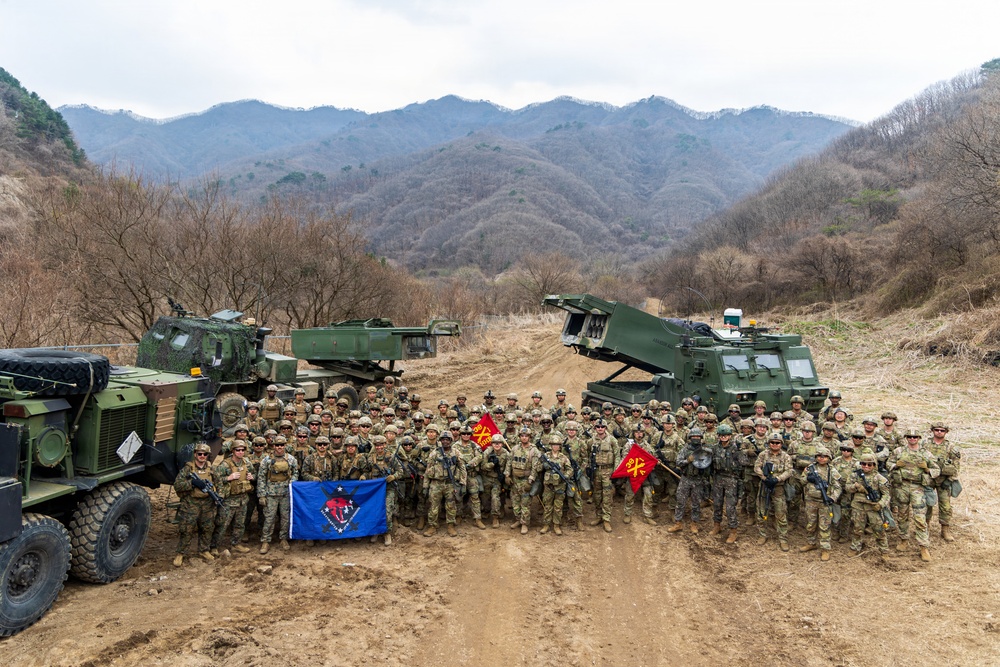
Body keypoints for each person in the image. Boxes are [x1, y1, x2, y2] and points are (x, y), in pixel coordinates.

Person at [886, 428, 939, 562]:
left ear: (919, 439)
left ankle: (923, 546)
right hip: (902, 486)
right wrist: (895, 466)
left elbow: (937, 470)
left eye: (915, 437)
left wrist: (926, 469)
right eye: (909, 437)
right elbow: (888, 464)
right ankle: (903, 539)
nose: (912, 439)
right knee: (902, 515)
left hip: (918, 488)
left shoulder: (925, 454)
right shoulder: (899, 451)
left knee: (920, 517)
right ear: (906, 438)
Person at [173, 442, 219, 566]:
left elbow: (219, 483)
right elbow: (177, 485)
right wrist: (192, 483)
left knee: (207, 528)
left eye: (205, 454)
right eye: (200, 454)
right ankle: (181, 553)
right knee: (186, 529)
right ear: (195, 454)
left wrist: (219, 496)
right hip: (191, 504)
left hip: (207, 504)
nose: (202, 456)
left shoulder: (212, 469)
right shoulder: (188, 469)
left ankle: (204, 550)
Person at [210, 439, 255, 556]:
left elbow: (254, 474)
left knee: (240, 524)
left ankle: (236, 544)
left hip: (242, 499)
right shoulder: (225, 464)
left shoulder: (247, 463)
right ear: (233, 451)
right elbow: (215, 479)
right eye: (238, 450)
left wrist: (251, 476)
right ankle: (214, 546)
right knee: (222, 524)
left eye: (242, 450)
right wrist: (228, 478)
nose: (240, 452)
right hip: (228, 501)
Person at [798, 445, 842, 561]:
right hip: (811, 500)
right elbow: (801, 481)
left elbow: (838, 488)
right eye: (819, 456)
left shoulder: (832, 471)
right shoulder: (809, 468)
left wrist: (832, 498)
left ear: (829, 458)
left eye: (824, 457)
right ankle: (811, 543)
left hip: (824, 502)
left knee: (824, 526)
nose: (822, 459)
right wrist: (808, 478)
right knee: (810, 524)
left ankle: (825, 548)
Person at [257, 437, 299, 554]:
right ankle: (265, 540)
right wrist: (261, 495)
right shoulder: (266, 460)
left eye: (281, 445)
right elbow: (261, 477)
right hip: (270, 493)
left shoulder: (291, 459)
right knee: (269, 518)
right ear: (273, 446)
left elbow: (296, 472)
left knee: (285, 517)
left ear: (285, 446)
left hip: (286, 493)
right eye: (277, 445)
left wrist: (293, 481)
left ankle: (283, 538)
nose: (279, 448)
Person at [754, 434, 795, 551]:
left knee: (781, 514)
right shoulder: (763, 454)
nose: (774, 445)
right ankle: (762, 535)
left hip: (779, 488)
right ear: (769, 443)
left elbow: (789, 470)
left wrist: (778, 479)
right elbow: (756, 467)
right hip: (764, 486)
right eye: (772, 442)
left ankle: (783, 539)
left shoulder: (786, 456)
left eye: (777, 443)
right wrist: (764, 478)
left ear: (781, 444)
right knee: (761, 511)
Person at [422, 430, 467, 537]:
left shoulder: (456, 453)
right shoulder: (434, 453)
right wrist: (425, 486)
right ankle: (432, 526)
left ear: (451, 440)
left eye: (447, 439)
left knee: (451, 506)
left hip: (450, 484)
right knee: (433, 506)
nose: (445, 441)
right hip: (436, 483)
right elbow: (427, 471)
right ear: (440, 440)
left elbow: (462, 468)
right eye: (443, 439)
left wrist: (463, 483)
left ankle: (450, 525)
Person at [922, 422, 961, 543]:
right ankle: (926, 527)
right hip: (929, 478)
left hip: (944, 479)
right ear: (933, 431)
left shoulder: (951, 447)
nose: (939, 432)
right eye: (937, 430)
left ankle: (945, 529)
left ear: (946, 432)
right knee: (928, 504)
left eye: (942, 430)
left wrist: (949, 480)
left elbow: (956, 465)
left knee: (945, 506)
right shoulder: (925, 444)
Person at [846, 453, 891, 557]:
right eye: (863, 464)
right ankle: (855, 547)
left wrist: (880, 504)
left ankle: (884, 551)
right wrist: (856, 486)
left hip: (873, 507)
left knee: (879, 530)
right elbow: (847, 488)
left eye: (869, 464)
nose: (866, 466)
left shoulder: (879, 478)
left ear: (874, 465)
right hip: (858, 506)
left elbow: (887, 494)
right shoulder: (855, 475)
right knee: (857, 529)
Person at [668, 428, 711, 534]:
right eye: (693, 436)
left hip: (698, 480)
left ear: (701, 438)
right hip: (686, 478)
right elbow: (678, 462)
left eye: (698, 437)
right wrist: (687, 461)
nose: (696, 438)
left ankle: (694, 523)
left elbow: (709, 464)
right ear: (690, 438)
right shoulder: (685, 449)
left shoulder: (705, 450)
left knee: (696, 503)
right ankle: (678, 523)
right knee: (680, 501)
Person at [366, 435, 404, 546]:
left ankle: (387, 533)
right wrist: (364, 476)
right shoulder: (370, 458)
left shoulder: (391, 457)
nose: (379, 447)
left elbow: (400, 471)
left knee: (387, 511)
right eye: (377, 445)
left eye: (381, 445)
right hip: (375, 490)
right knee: (375, 511)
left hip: (388, 488)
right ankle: (376, 531)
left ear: (385, 445)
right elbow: (366, 471)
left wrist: (394, 476)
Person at [710, 424, 744, 543]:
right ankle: (717, 525)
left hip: (731, 479)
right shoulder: (714, 448)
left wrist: (741, 451)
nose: (723, 437)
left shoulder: (735, 449)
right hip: (718, 478)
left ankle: (733, 531)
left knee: (730, 507)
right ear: (718, 436)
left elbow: (743, 463)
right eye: (721, 435)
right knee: (717, 504)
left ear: (730, 436)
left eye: (726, 435)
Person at [535, 434, 573, 535]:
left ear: (560, 446)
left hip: (560, 485)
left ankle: (556, 525)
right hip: (548, 486)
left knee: (558, 506)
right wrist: (544, 465)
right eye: (553, 444)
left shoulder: (564, 457)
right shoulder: (546, 456)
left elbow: (570, 469)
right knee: (547, 506)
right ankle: (546, 525)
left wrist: (565, 475)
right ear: (550, 445)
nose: (555, 446)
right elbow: (537, 468)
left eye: (557, 445)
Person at [587, 419, 620, 533]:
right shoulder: (591, 441)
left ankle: (606, 519)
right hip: (596, 472)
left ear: (605, 428)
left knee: (607, 496)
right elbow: (587, 455)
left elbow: (617, 455)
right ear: (595, 428)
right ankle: (598, 515)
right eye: (598, 427)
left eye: (602, 427)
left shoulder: (612, 440)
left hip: (608, 471)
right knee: (597, 495)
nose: (600, 428)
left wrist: (615, 471)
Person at [506, 427, 541, 534]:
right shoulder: (515, 449)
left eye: (526, 436)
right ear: (519, 437)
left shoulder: (533, 450)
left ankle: (525, 523)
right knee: (515, 502)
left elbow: (535, 467)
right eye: (522, 436)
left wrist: (530, 481)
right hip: (515, 480)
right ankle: (518, 520)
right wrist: (507, 475)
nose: (524, 438)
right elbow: (509, 462)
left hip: (526, 480)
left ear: (529, 437)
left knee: (525, 504)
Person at [481, 434, 511, 528]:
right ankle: (486, 510)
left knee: (495, 498)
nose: (497, 445)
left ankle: (495, 517)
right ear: (492, 444)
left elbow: (509, 466)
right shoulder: (487, 452)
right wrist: (491, 465)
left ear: (502, 444)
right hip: (487, 478)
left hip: (498, 479)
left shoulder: (506, 453)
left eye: (499, 443)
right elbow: (482, 466)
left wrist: (506, 476)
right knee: (485, 498)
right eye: (494, 443)